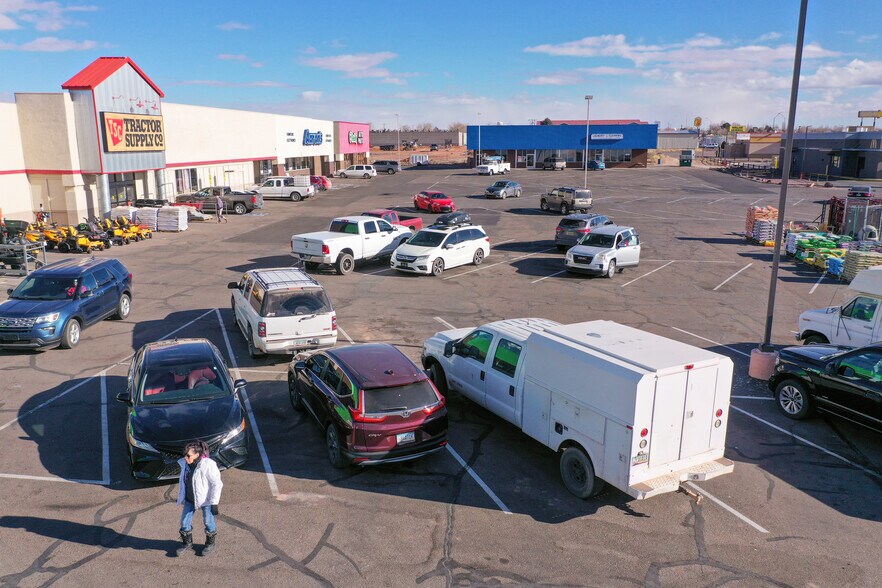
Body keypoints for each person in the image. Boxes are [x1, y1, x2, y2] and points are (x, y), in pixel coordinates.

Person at [176, 440, 223, 556]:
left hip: (206, 500)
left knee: (208, 521)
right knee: (184, 523)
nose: (186, 458)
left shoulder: (208, 465)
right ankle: (187, 543)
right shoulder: (185, 464)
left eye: (188, 455)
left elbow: (217, 484)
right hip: (190, 499)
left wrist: (214, 502)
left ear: (197, 454)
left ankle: (210, 543)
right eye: (185, 455)